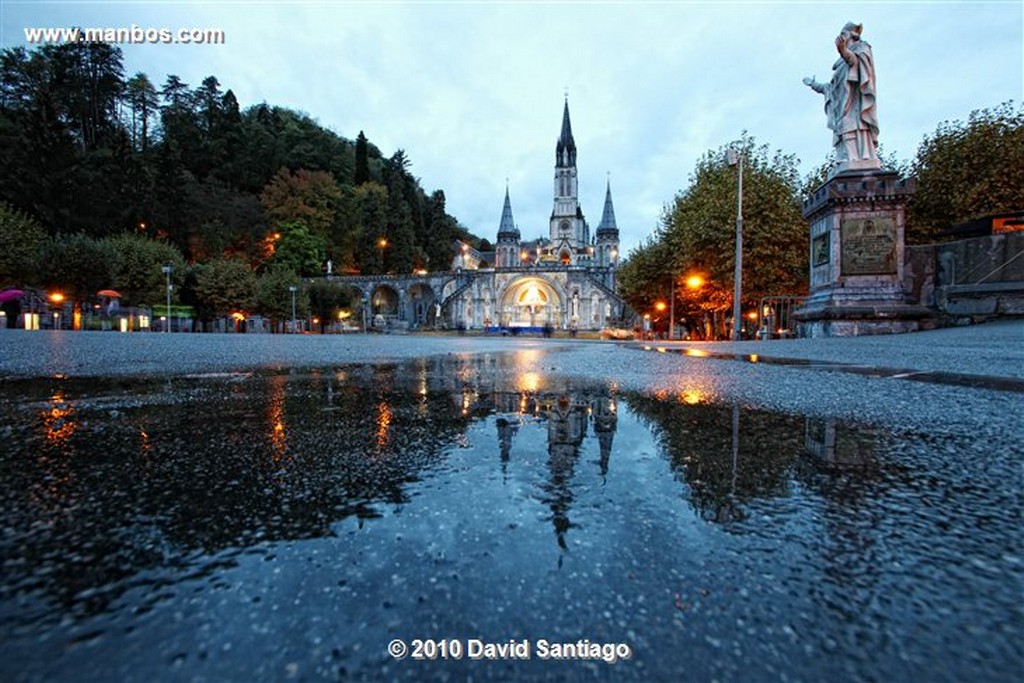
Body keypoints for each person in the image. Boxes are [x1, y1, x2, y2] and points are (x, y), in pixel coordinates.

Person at [803, 22, 879, 171]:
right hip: (843, 106)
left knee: (849, 126)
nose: (841, 38)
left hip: (856, 105)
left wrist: (843, 51)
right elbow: (830, 88)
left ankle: (857, 158)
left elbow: (855, 62)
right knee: (843, 129)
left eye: (844, 34)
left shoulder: (861, 50)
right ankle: (847, 159)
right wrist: (814, 84)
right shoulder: (840, 66)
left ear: (851, 35)